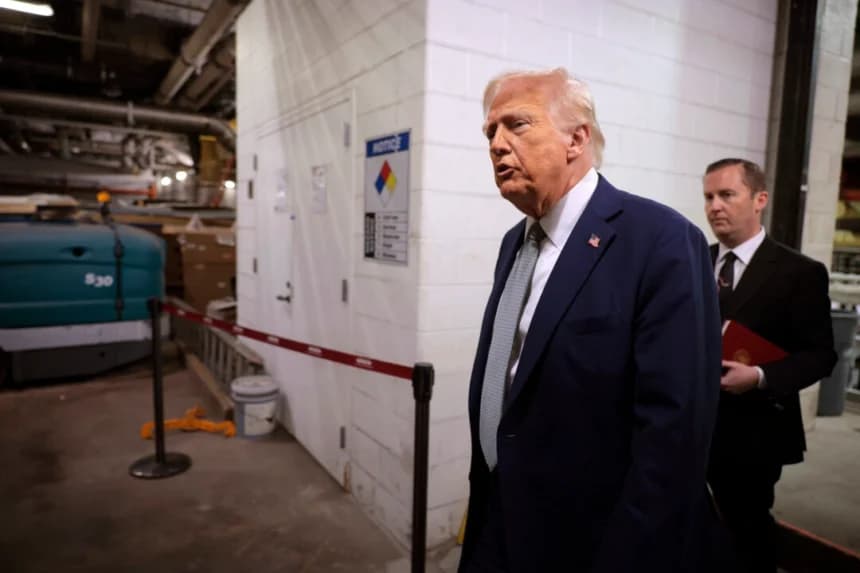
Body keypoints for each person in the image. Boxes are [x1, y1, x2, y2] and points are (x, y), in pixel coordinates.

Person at [459, 67, 725, 573]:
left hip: (592, 541)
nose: (496, 144)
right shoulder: (515, 243)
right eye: (490, 132)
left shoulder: (660, 241)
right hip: (501, 517)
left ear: (576, 139)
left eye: (517, 125)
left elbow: (674, 438)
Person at [702, 158, 837, 573]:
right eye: (708, 196)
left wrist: (760, 377)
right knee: (696, 527)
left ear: (760, 199)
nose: (714, 206)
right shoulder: (692, 261)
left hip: (753, 431)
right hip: (690, 423)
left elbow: (820, 355)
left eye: (727, 194)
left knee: (747, 531)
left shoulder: (798, 273)